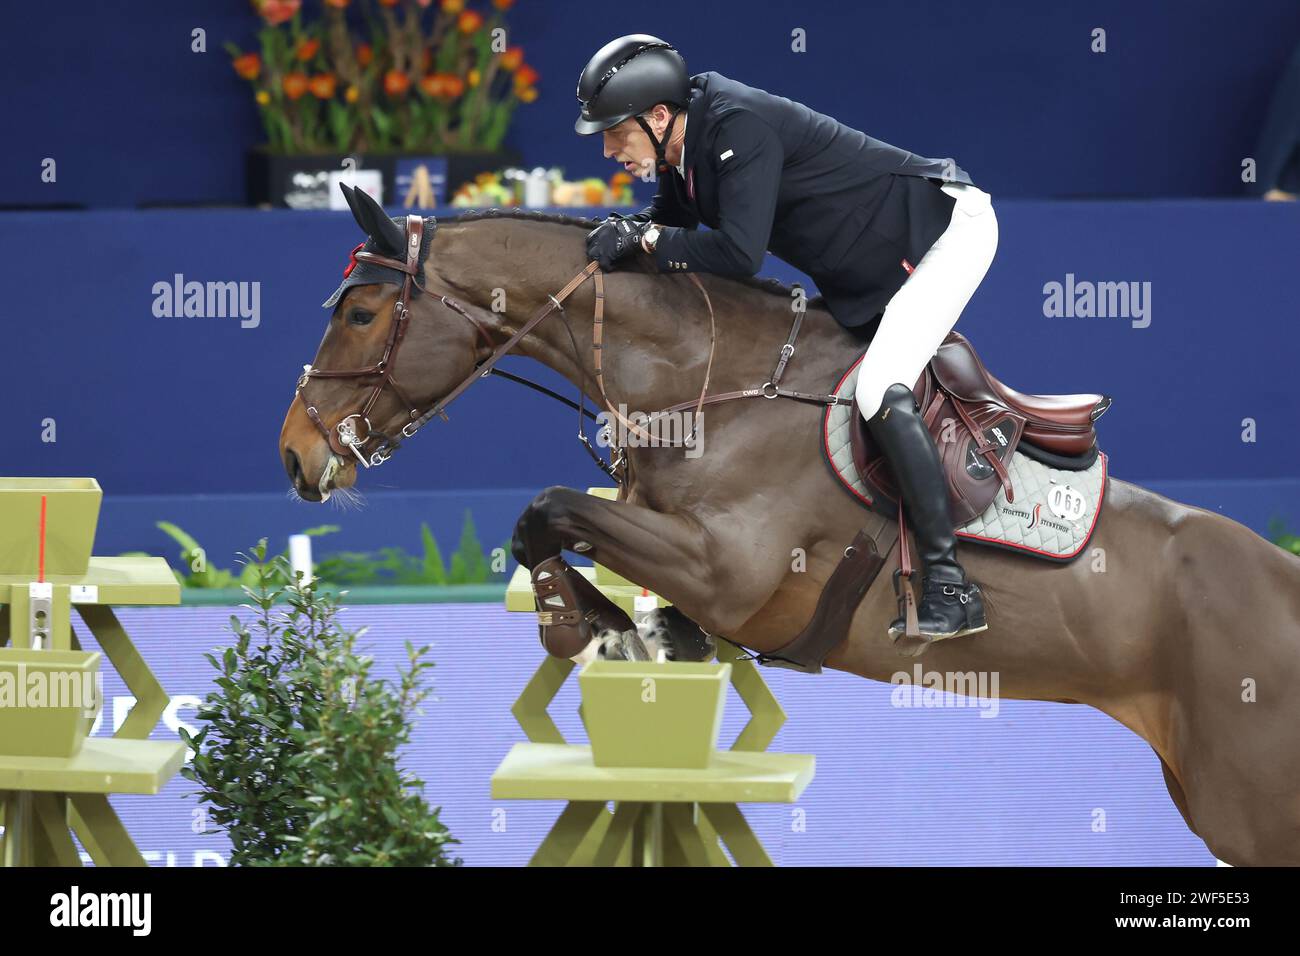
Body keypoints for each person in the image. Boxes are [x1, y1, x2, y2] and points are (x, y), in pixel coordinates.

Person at [576, 34, 996, 643]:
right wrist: (632, 230)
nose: (611, 149)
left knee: (880, 390)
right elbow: (670, 228)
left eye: (616, 132)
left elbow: (738, 254)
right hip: (874, 268)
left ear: (659, 116)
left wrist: (645, 240)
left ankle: (949, 585)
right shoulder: (682, 150)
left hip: (943, 237)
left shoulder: (736, 127)